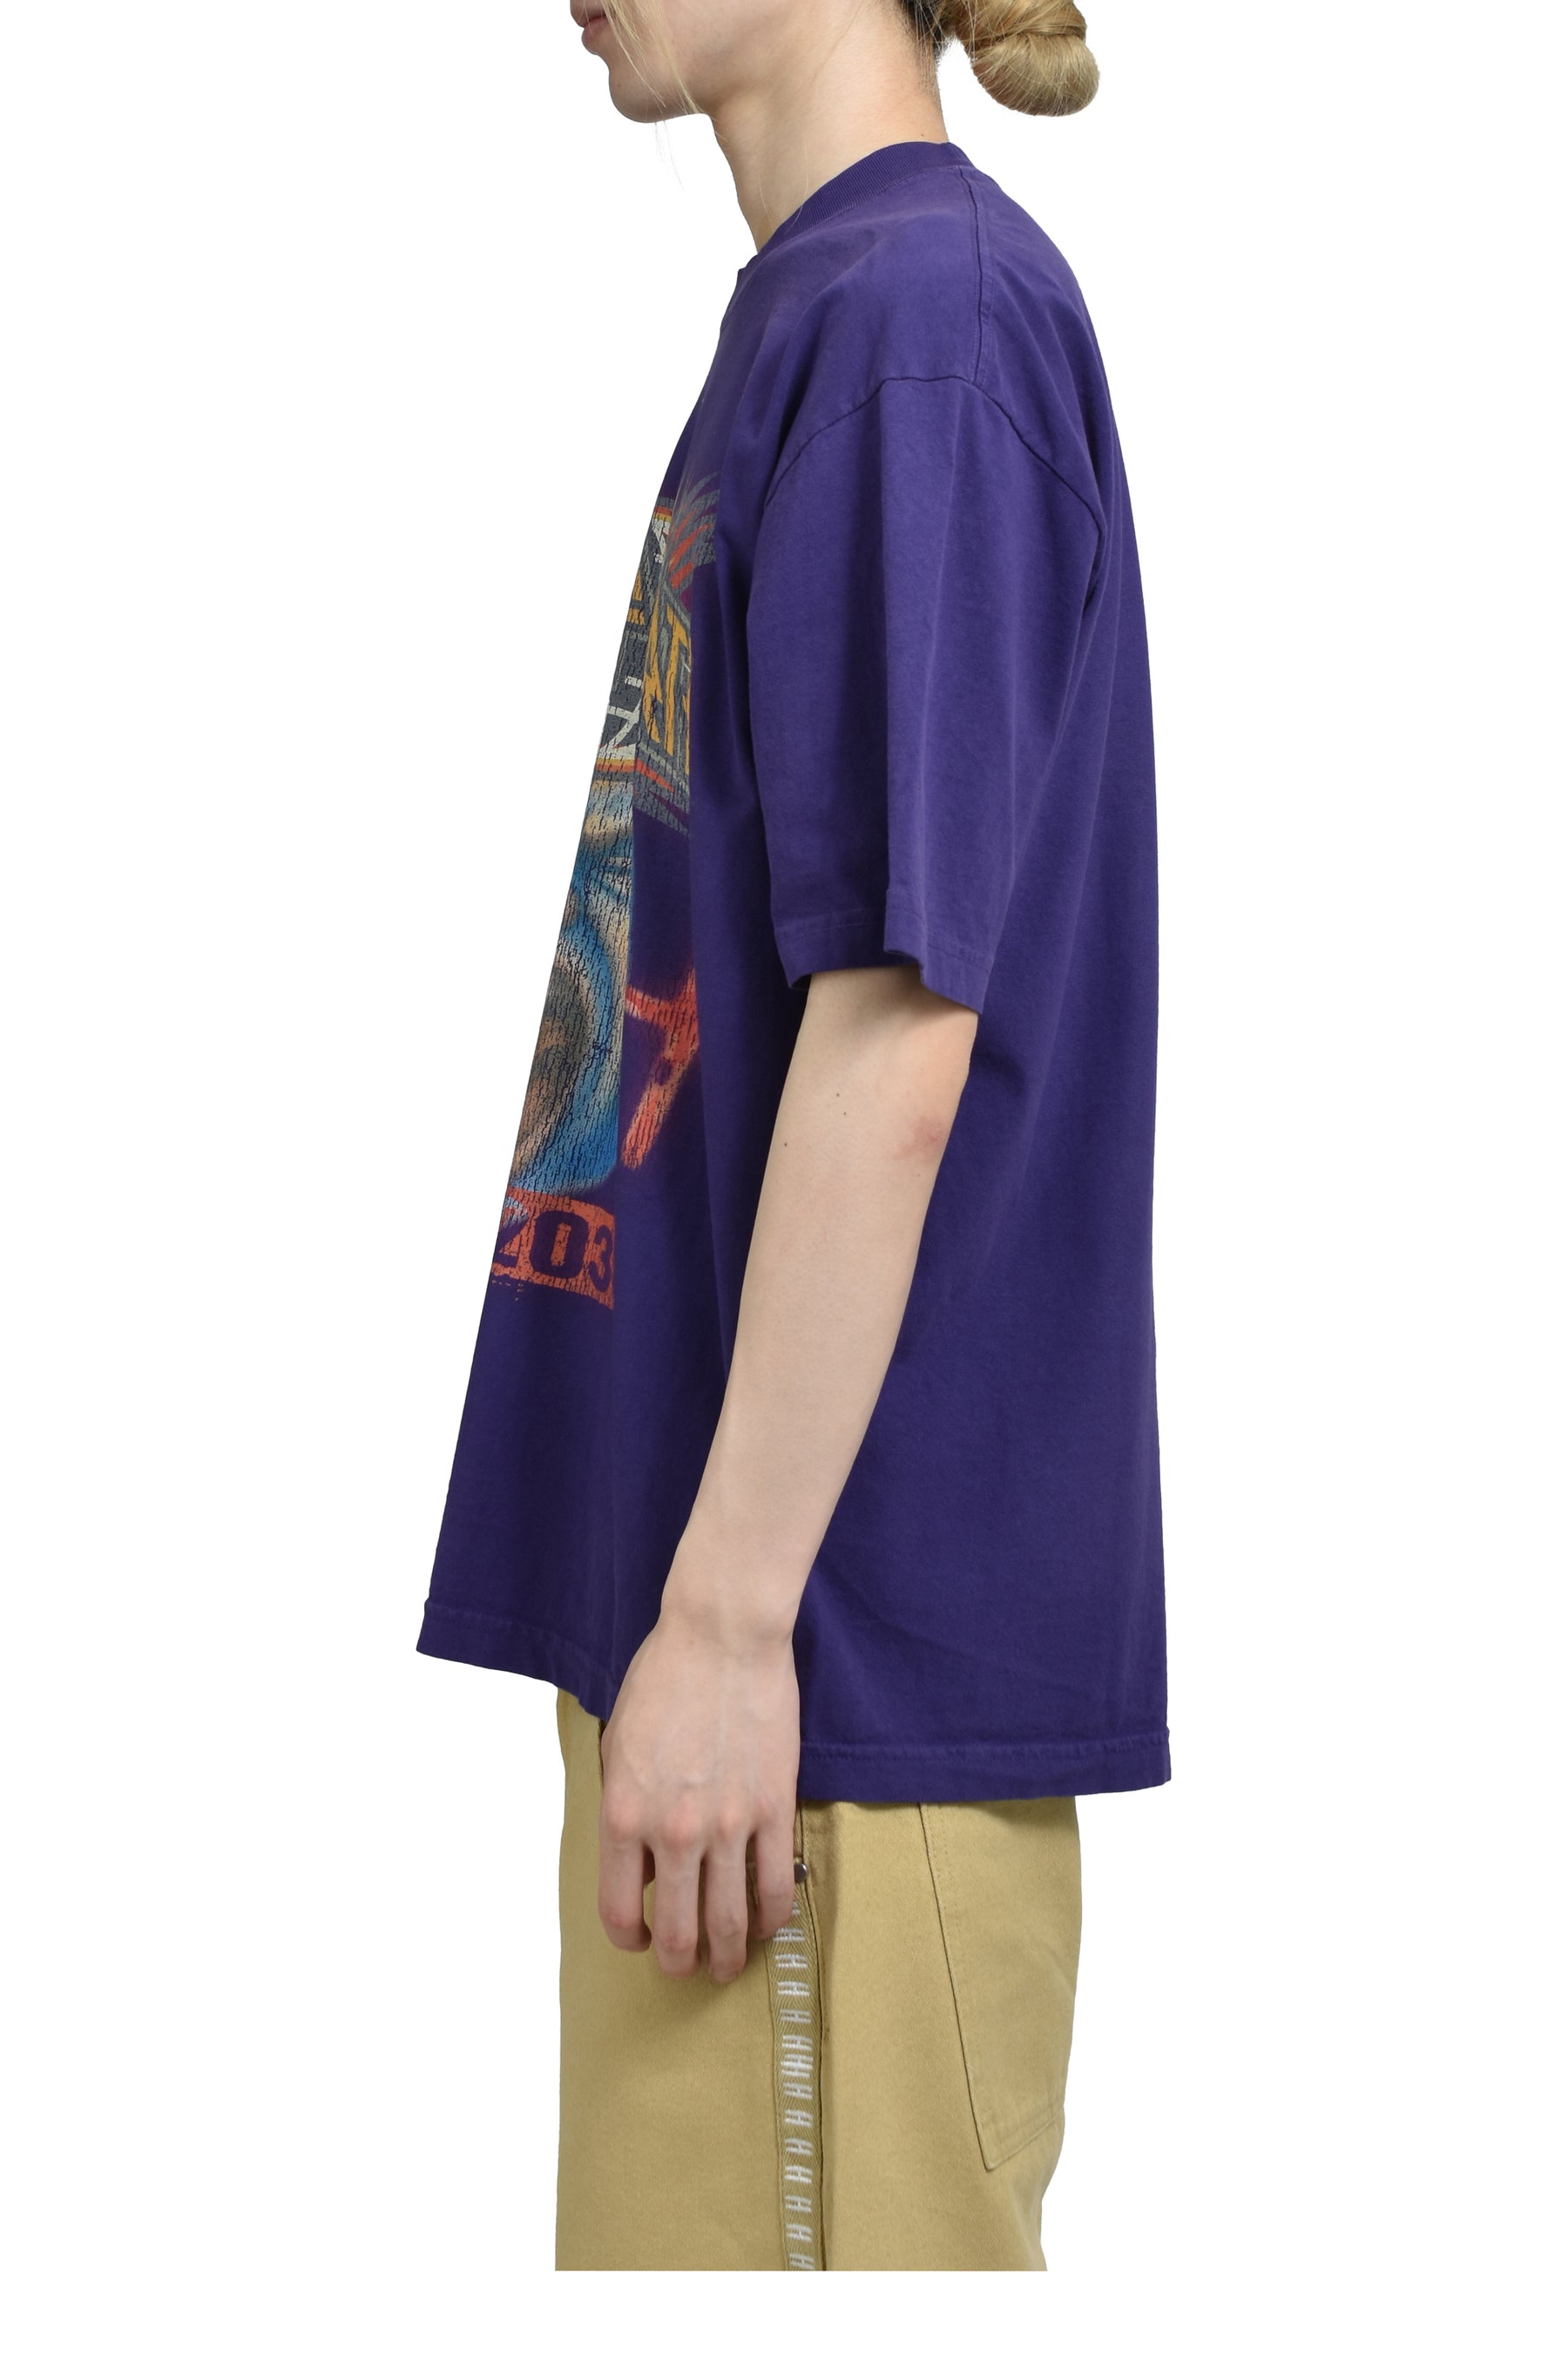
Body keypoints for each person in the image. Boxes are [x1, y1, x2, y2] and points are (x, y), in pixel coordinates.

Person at [416, 0, 1168, 2272]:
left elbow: (899, 1029)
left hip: (819, 1699)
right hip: (750, 1689)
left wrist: (735, 1625)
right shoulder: (843, 311)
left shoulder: (920, 322)